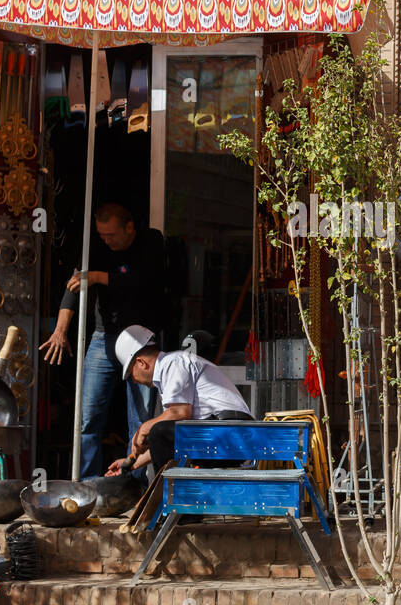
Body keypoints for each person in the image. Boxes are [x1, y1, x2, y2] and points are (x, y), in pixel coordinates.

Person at [40, 202, 166, 479]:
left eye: (111, 235)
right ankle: (85, 483)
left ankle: (135, 483)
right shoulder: (96, 247)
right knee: (87, 417)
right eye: (102, 235)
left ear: (129, 227)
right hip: (104, 337)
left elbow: (144, 281)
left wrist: (96, 277)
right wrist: (60, 330)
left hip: (141, 341)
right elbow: (73, 287)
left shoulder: (151, 241)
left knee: (141, 417)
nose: (106, 240)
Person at [104, 324, 252, 475]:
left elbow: (180, 413)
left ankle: (167, 491)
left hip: (230, 432)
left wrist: (143, 428)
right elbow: (165, 441)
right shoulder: (171, 368)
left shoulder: (173, 362)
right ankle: (169, 489)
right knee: (161, 432)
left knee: (158, 430)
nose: (134, 380)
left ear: (141, 363)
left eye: (131, 373)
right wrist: (130, 465)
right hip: (225, 433)